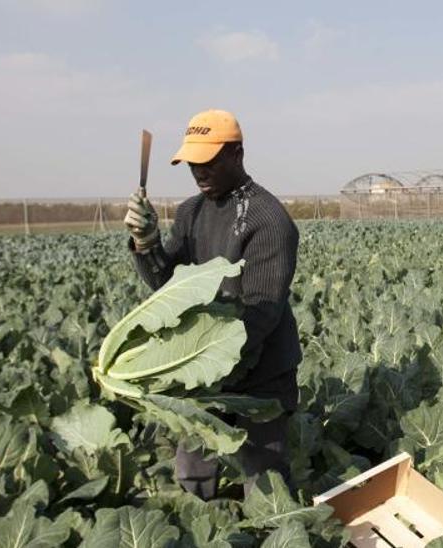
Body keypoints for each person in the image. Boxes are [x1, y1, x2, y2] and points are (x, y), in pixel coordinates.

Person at [122, 109, 302, 500]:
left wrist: (202, 359)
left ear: (236, 154)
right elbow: (167, 285)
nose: (199, 172)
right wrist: (147, 243)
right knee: (192, 468)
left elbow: (262, 311)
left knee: (264, 475)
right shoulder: (191, 213)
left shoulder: (268, 220)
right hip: (205, 369)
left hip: (261, 374)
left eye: (208, 162)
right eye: (192, 164)